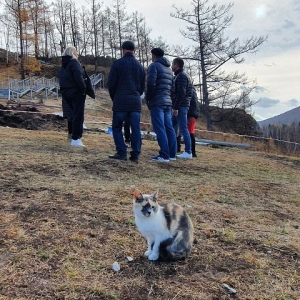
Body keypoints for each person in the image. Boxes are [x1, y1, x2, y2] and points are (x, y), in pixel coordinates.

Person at [107, 40, 145, 162]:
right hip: (135, 102)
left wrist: (115, 97)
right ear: (134, 51)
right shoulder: (140, 67)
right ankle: (135, 154)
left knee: (117, 127)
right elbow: (142, 87)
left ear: (123, 50)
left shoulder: (117, 64)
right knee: (136, 129)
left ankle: (121, 152)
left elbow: (111, 84)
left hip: (120, 101)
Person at [59, 46, 95, 147]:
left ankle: (74, 137)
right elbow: (78, 76)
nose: (78, 55)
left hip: (66, 92)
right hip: (76, 92)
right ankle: (76, 138)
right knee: (78, 116)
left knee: (74, 115)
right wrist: (83, 89)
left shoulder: (63, 66)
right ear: (73, 53)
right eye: (76, 52)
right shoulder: (74, 63)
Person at [146, 47, 177, 162]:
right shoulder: (169, 70)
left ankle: (164, 155)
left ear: (154, 55)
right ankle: (172, 154)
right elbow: (173, 89)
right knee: (169, 128)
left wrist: (148, 98)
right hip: (168, 102)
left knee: (159, 128)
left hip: (157, 101)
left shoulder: (154, 66)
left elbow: (150, 83)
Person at [171, 57, 193, 159]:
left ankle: (188, 151)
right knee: (171, 126)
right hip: (182, 105)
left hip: (181, 106)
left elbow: (181, 93)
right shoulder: (183, 76)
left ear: (177, 65)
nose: (172, 66)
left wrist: (176, 107)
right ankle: (173, 149)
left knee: (183, 129)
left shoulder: (181, 77)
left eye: (173, 64)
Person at [188, 87, 200, 157]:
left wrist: (192, 114)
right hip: (191, 114)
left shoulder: (191, 90)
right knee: (190, 132)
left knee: (190, 132)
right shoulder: (192, 90)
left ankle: (193, 151)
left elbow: (194, 103)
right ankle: (192, 151)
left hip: (191, 115)